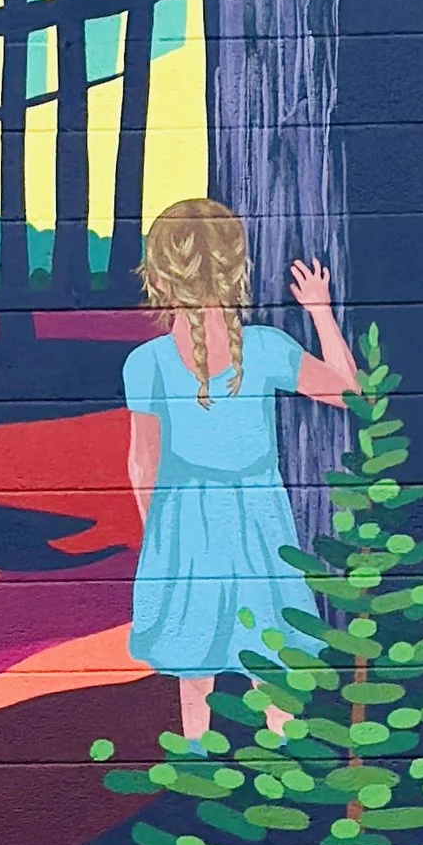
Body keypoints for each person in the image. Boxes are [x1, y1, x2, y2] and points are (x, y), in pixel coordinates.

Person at [123, 200, 361, 743]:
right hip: (259, 521)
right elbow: (353, 395)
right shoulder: (265, 348)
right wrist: (320, 310)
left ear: (158, 277)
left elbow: (143, 464)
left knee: (193, 665)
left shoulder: (147, 362)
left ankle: (196, 765)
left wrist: (155, 537)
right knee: (274, 654)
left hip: (182, 526)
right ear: (238, 272)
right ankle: (284, 764)